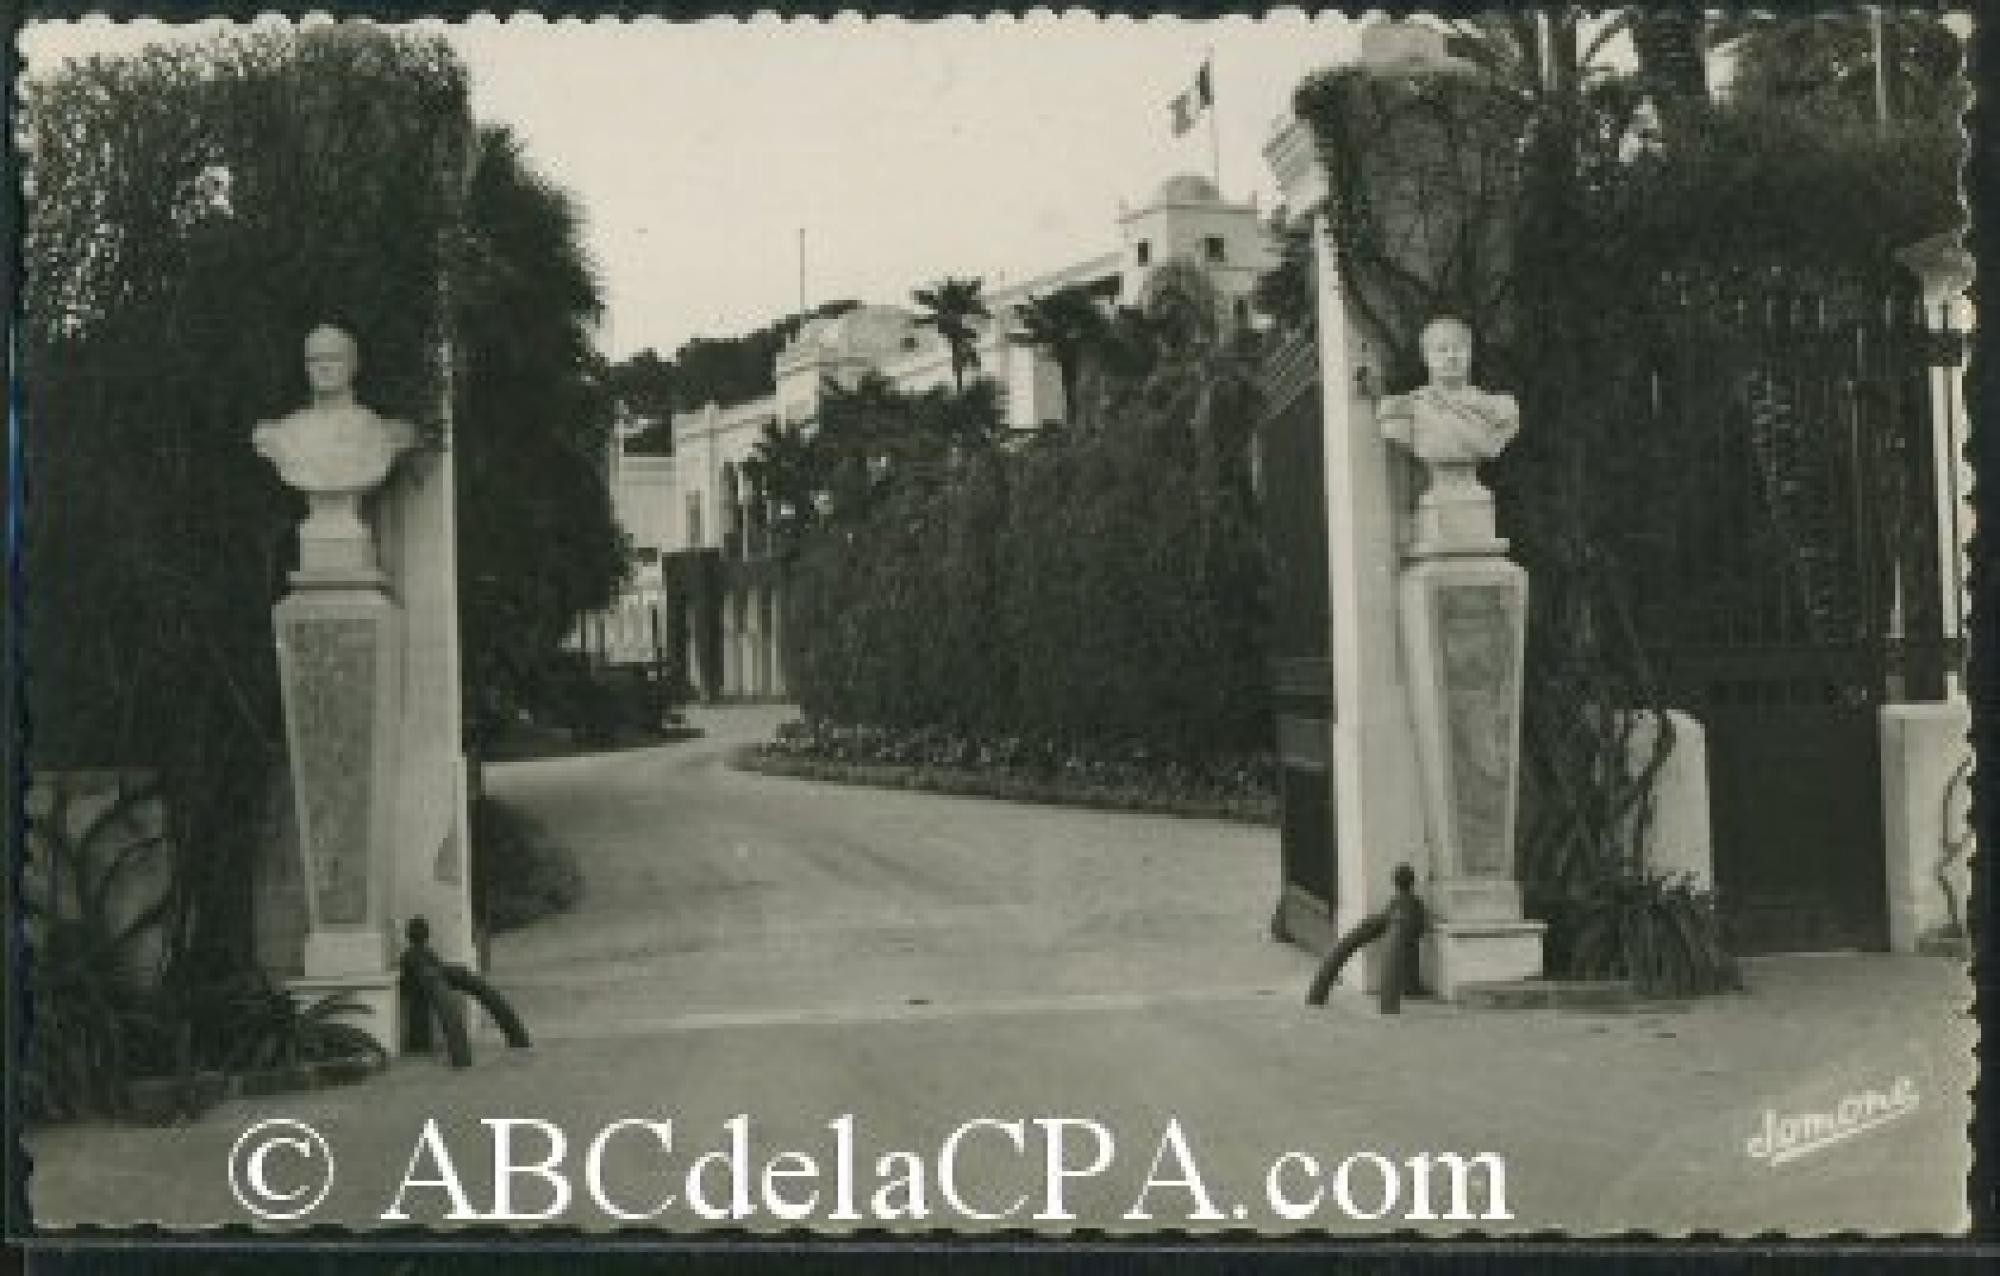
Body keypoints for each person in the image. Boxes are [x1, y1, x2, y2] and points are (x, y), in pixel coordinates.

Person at [1377, 315, 1518, 466]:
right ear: (1426, 357)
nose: (1451, 356)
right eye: (1442, 350)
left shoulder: (1499, 408)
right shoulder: (1403, 409)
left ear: (1470, 355)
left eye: (1458, 349)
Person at [1305, 863, 1428, 1009]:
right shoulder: (1411, 906)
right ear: (1412, 881)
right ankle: (1388, 1005)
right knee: (1392, 946)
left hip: (1398, 920)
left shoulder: (1396, 906)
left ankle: (1316, 995)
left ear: (1394, 882)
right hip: (1402, 922)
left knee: (1349, 945)